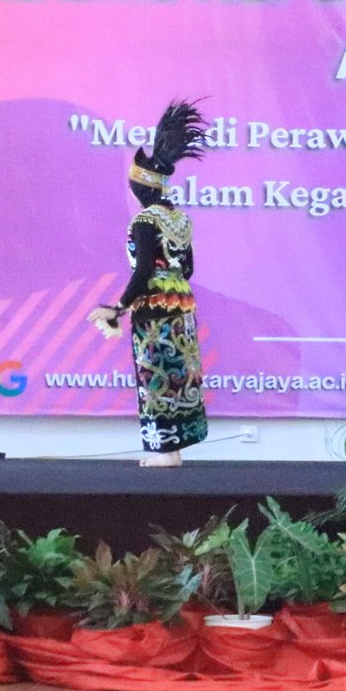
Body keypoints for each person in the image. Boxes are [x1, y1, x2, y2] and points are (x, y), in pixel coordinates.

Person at [86, 101, 210, 467]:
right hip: (182, 305)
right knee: (179, 375)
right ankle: (174, 451)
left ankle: (165, 454)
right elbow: (188, 268)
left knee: (154, 374)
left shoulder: (144, 221)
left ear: (142, 187)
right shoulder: (179, 218)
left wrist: (118, 307)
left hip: (153, 308)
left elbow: (142, 272)